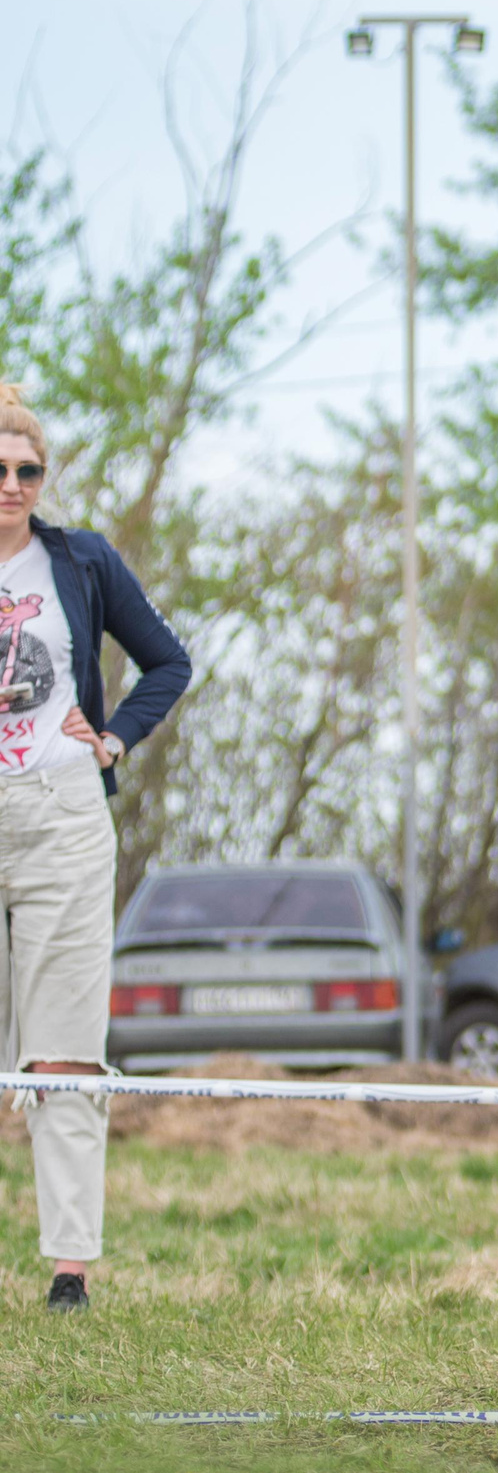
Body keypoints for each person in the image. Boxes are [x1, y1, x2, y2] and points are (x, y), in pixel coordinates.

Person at [0, 383, 193, 1312]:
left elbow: (169, 661)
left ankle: (69, 1268)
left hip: (64, 815)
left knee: (64, 1049)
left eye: (27, 469)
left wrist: (113, 736)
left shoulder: (78, 562)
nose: (12, 484)